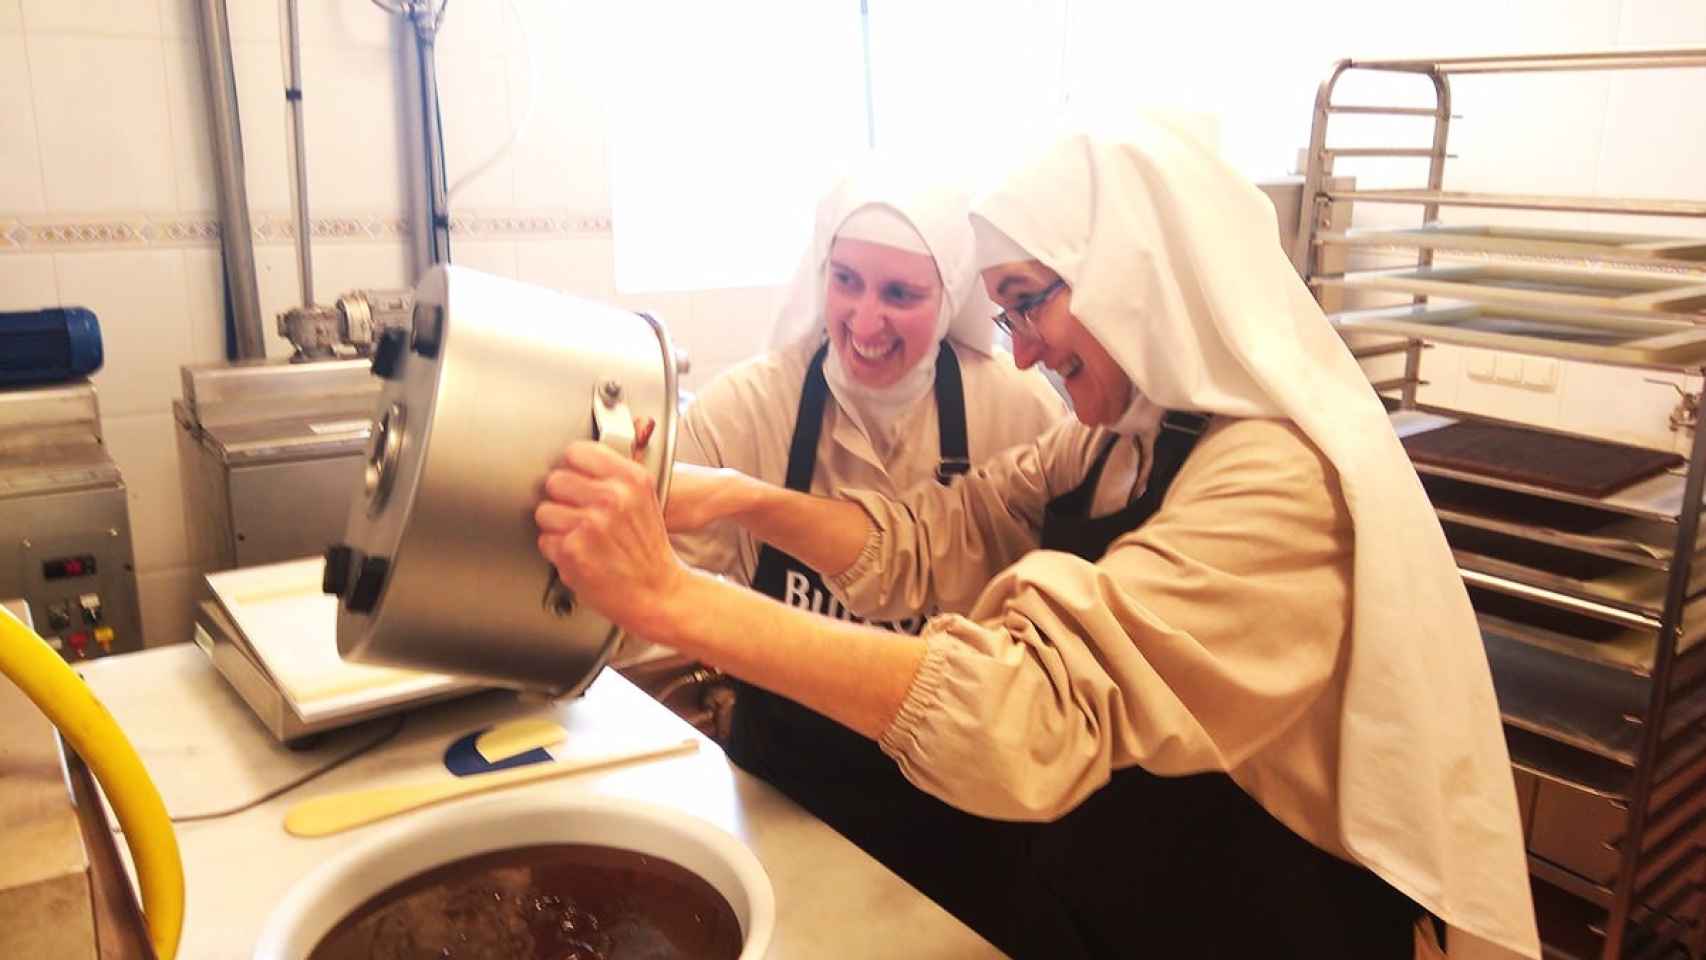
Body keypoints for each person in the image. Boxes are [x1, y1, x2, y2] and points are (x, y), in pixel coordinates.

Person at [535, 125, 1540, 959]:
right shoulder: (1119, 441)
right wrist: (737, 498)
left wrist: (670, 598)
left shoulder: (1278, 481)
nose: (1014, 346)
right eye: (1004, 306)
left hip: (1261, 920)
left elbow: (1025, 710)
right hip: (1126, 898)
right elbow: (932, 539)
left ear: (1134, 275)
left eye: (1028, 300)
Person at [669, 160, 1065, 947]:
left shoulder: (1017, 410)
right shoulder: (749, 408)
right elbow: (669, 583)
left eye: (901, 295)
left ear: (951, 298)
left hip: (959, 797)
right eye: (846, 281)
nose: (865, 319)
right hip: (788, 778)